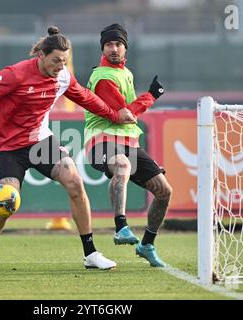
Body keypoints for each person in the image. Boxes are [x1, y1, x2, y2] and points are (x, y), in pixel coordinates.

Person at [0, 26, 137, 271]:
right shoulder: (16, 75)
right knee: (6, 200)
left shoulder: (62, 76)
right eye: (56, 61)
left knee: (74, 182)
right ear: (41, 55)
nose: (61, 66)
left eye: (64, 60)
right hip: (9, 147)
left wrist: (114, 115)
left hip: (40, 141)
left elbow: (85, 97)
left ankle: (91, 253)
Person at [84, 23, 172, 267]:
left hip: (128, 142)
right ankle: (121, 226)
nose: (114, 48)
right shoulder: (103, 77)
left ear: (125, 49)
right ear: (102, 49)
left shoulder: (125, 72)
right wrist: (151, 96)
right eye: (109, 45)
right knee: (121, 164)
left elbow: (128, 115)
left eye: (118, 44)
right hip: (101, 141)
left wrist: (146, 98)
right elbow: (125, 115)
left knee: (164, 191)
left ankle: (147, 245)